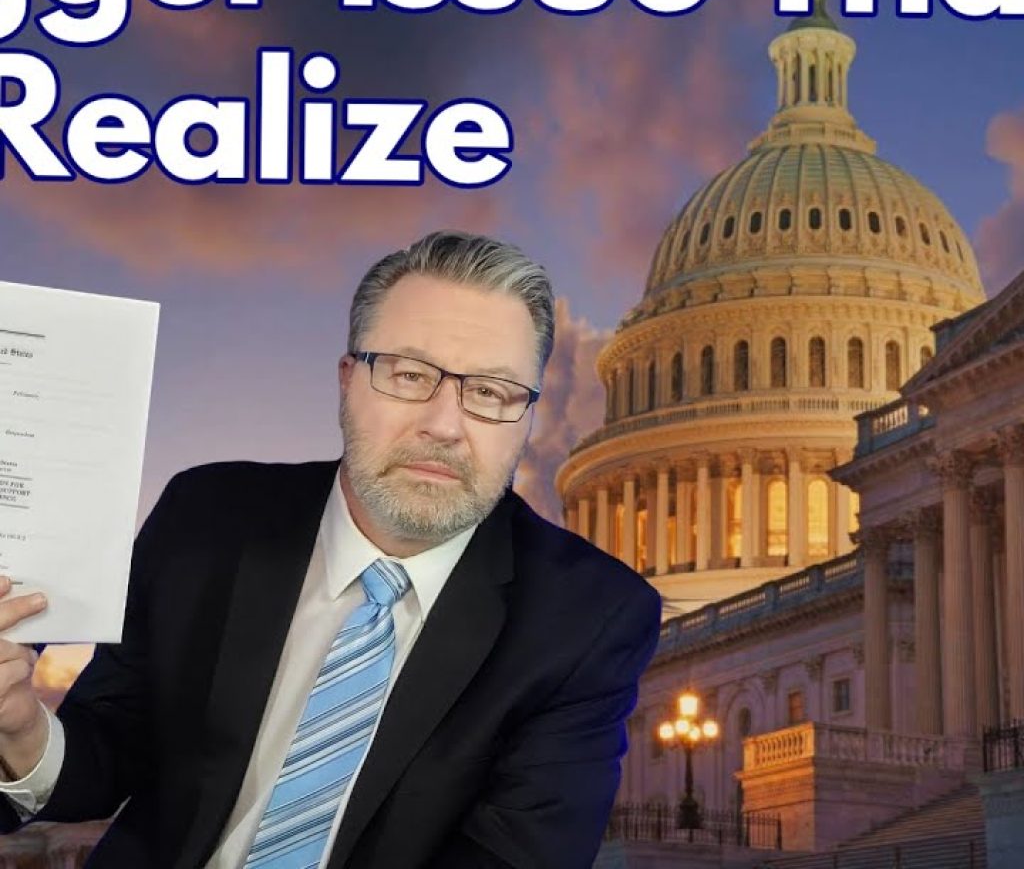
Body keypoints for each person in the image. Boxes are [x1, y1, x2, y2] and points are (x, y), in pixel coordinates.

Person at [0, 230, 662, 868]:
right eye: (408, 375)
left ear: (526, 419)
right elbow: (111, 747)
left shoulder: (588, 619)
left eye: (490, 392)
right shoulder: (207, 517)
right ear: (347, 380)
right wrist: (23, 733)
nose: (444, 425)